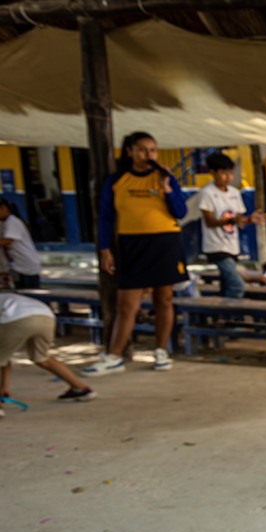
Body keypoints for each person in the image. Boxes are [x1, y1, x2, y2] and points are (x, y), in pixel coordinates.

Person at [85, 131, 188, 375]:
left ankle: (161, 351)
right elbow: (106, 217)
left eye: (152, 150)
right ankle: (114, 356)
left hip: (165, 243)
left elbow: (180, 212)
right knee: (126, 304)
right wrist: (105, 249)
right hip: (132, 244)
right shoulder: (117, 180)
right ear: (130, 151)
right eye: (142, 149)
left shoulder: (165, 178)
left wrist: (167, 189)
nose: (148, 155)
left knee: (164, 299)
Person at [1, 293, 96, 412]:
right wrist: (4, 387)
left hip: (17, 317)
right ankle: (81, 389)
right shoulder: (7, 297)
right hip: (46, 316)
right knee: (42, 358)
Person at [197, 151, 266, 298]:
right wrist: (231, 221)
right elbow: (209, 222)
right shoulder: (208, 193)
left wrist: (249, 220)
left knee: (226, 286)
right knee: (237, 285)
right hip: (216, 247)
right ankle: (233, 315)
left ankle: (225, 315)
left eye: (230, 173)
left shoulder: (235, 193)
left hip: (232, 246)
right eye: (223, 173)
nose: (228, 177)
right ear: (212, 173)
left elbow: (239, 220)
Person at [0, 199, 41, 289]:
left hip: (26, 266)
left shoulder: (13, 222)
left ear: (3, 208)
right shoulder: (3, 223)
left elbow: (7, 240)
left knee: (31, 295)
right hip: (16, 267)